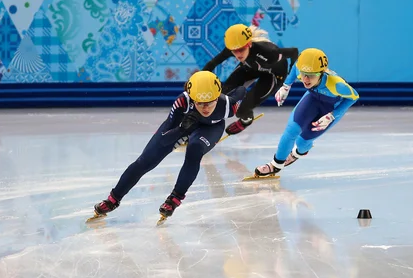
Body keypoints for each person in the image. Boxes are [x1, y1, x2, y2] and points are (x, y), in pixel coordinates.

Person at [92, 71, 245, 221]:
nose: (205, 108)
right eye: (200, 103)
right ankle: (113, 199)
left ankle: (175, 199)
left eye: (210, 103)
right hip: (180, 126)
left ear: (217, 97)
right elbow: (164, 140)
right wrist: (182, 129)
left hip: (211, 128)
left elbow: (241, 90)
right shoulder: (182, 102)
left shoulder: (228, 106)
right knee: (145, 161)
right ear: (192, 99)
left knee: (195, 150)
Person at [252, 48, 359, 177]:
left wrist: (332, 115)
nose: (306, 79)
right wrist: (286, 86)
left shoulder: (337, 85)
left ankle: (298, 153)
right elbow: (295, 68)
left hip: (330, 108)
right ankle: (275, 165)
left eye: (312, 75)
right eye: (303, 74)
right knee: (291, 131)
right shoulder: (301, 69)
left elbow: (354, 97)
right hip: (312, 100)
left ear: (321, 72)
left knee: (303, 142)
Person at [202, 24, 299, 135]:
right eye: (234, 51)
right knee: (220, 96)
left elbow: (294, 52)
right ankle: (203, 126)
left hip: (273, 75)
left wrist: (290, 70)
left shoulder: (269, 52)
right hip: (251, 68)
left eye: (241, 50)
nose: (238, 54)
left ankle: (246, 120)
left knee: (241, 111)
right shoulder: (233, 47)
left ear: (249, 44)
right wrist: (197, 81)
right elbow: (213, 63)